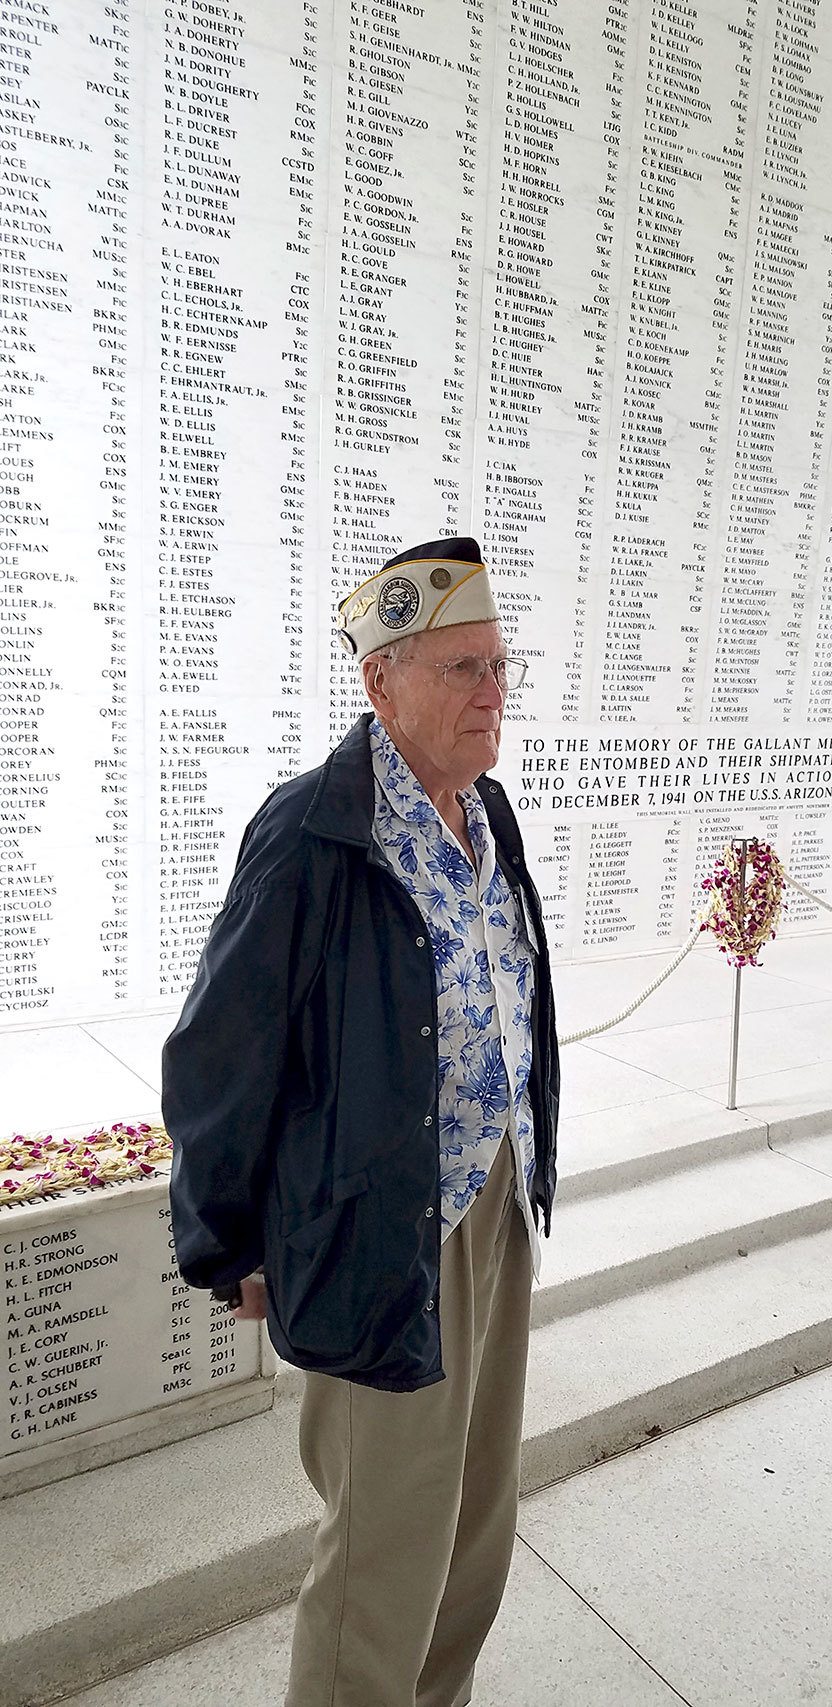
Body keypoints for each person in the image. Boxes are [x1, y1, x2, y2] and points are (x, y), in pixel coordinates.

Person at [162, 535, 559, 1707]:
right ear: (380, 681)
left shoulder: (484, 814)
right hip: (384, 1226)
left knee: (473, 1529)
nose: (491, 694)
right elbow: (217, 1055)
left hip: (493, 1203)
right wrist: (226, 1238)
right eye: (460, 670)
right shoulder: (312, 832)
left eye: (499, 667)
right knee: (386, 1546)